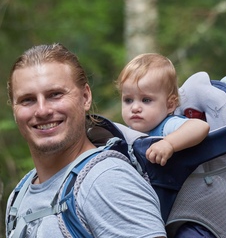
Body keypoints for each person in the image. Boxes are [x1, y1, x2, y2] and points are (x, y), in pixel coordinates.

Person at [5, 44, 167, 238]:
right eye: (27, 100)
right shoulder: (20, 194)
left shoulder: (106, 180)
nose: (42, 110)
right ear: (14, 111)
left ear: (85, 97)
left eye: (55, 95)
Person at [116, 53, 210, 166]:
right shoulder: (127, 132)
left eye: (146, 100)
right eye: (128, 100)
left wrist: (169, 143)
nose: (135, 108)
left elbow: (200, 126)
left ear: (170, 105)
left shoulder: (167, 126)